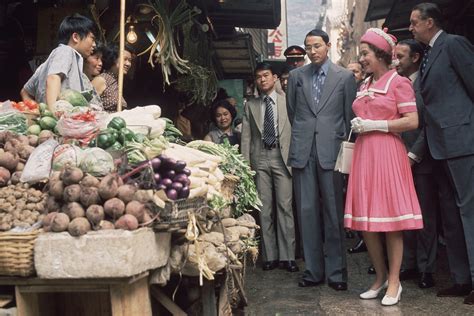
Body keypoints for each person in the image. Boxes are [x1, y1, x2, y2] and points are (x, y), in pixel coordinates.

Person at [344, 28, 423, 306]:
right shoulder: (364, 85)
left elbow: (412, 120)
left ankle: (394, 282)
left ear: (379, 54)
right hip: (365, 154)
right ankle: (379, 278)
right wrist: (360, 125)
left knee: (390, 222)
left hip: (388, 153)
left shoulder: (398, 83)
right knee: (368, 222)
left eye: (365, 53)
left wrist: (376, 124)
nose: (361, 58)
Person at [409, 2, 474, 304]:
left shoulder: (454, 44)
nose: (410, 28)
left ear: (430, 22)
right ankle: (462, 279)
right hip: (438, 146)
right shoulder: (431, 54)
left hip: (461, 141)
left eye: (413, 23)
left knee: (468, 212)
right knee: (451, 216)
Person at [286, 29, 356, 291]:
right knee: (306, 212)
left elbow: (349, 118)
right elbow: (294, 113)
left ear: (328, 46)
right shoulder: (296, 77)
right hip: (304, 151)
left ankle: (337, 273)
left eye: (317, 46)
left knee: (333, 213)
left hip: (332, 151)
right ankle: (313, 271)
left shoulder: (345, 77)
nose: (312, 51)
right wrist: (307, 136)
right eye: (308, 47)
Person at [241, 62, 297, 273]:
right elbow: (246, 138)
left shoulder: (287, 102)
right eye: (258, 77)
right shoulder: (251, 105)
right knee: (264, 209)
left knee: (285, 207)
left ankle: (288, 256)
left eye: (266, 75)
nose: (262, 80)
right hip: (260, 158)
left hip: (283, 158)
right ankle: (270, 256)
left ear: (275, 77)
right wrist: (246, 165)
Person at [395, 38, 439, 289]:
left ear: (415, 58)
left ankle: (427, 269)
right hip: (398, 159)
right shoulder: (396, 83)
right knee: (404, 214)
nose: (396, 61)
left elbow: (427, 123)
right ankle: (408, 264)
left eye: (401, 57)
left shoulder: (424, 84)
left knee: (424, 216)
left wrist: (413, 155)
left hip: (420, 160)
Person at [20, 14, 96, 111]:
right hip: (60, 122)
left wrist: (39, 112)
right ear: (76, 37)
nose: (94, 44)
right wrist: (53, 114)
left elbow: (25, 92)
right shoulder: (66, 51)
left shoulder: (45, 65)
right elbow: (53, 78)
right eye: (92, 38)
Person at [92, 44, 134, 112]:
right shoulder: (101, 80)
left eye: (130, 60)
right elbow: (87, 106)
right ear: (114, 58)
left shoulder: (116, 81)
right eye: (125, 59)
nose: (128, 64)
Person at [82, 44, 104, 109]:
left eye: (101, 59)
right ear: (85, 59)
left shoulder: (88, 81)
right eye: (97, 58)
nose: (100, 63)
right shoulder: (80, 80)